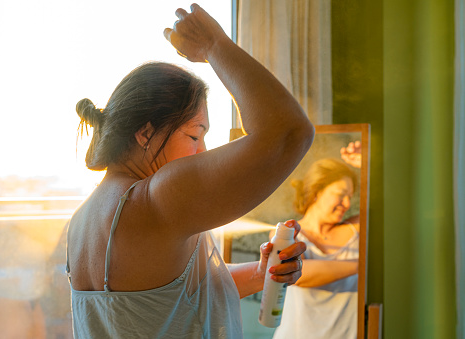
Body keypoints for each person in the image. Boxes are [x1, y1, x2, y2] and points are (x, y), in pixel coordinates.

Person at [65, 4, 315, 338]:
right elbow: (288, 133)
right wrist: (213, 46)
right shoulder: (157, 197)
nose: (204, 152)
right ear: (146, 133)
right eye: (195, 135)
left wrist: (261, 273)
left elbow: (171, 300)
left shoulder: (83, 218)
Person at [272, 148, 361, 339]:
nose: (346, 203)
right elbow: (301, 274)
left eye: (350, 196)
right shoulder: (287, 233)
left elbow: (388, 205)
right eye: (341, 194)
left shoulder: (357, 229)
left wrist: (365, 164)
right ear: (317, 192)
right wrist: (362, 265)